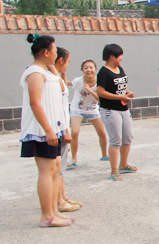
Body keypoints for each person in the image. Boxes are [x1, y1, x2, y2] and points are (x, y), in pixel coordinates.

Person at [19, 34, 72, 227]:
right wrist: (48, 129)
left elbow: (59, 87)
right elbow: (35, 103)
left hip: (53, 128)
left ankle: (54, 211)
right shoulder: (34, 72)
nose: (57, 54)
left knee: (55, 169)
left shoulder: (47, 72)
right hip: (41, 131)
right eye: (55, 51)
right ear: (46, 52)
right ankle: (46, 216)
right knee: (46, 171)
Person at [96, 43, 137, 181]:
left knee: (128, 137)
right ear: (112, 56)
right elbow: (100, 92)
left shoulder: (119, 68)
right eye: (120, 56)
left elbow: (122, 85)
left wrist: (127, 92)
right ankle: (114, 170)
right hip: (110, 110)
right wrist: (120, 97)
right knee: (115, 141)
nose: (122, 59)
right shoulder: (103, 72)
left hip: (124, 108)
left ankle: (123, 164)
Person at [52, 47, 81, 212]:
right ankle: (59, 201)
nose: (68, 66)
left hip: (62, 127)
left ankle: (63, 197)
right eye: (68, 62)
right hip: (59, 128)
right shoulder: (51, 80)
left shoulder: (57, 78)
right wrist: (66, 130)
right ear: (61, 60)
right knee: (57, 169)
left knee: (61, 168)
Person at [67, 59, 109, 167]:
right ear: (82, 70)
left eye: (91, 67)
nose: (88, 70)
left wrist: (89, 90)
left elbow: (100, 99)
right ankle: (74, 158)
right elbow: (67, 83)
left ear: (95, 69)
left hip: (92, 109)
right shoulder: (78, 81)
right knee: (75, 132)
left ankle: (104, 154)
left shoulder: (100, 81)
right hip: (77, 108)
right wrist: (61, 75)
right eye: (85, 68)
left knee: (102, 133)